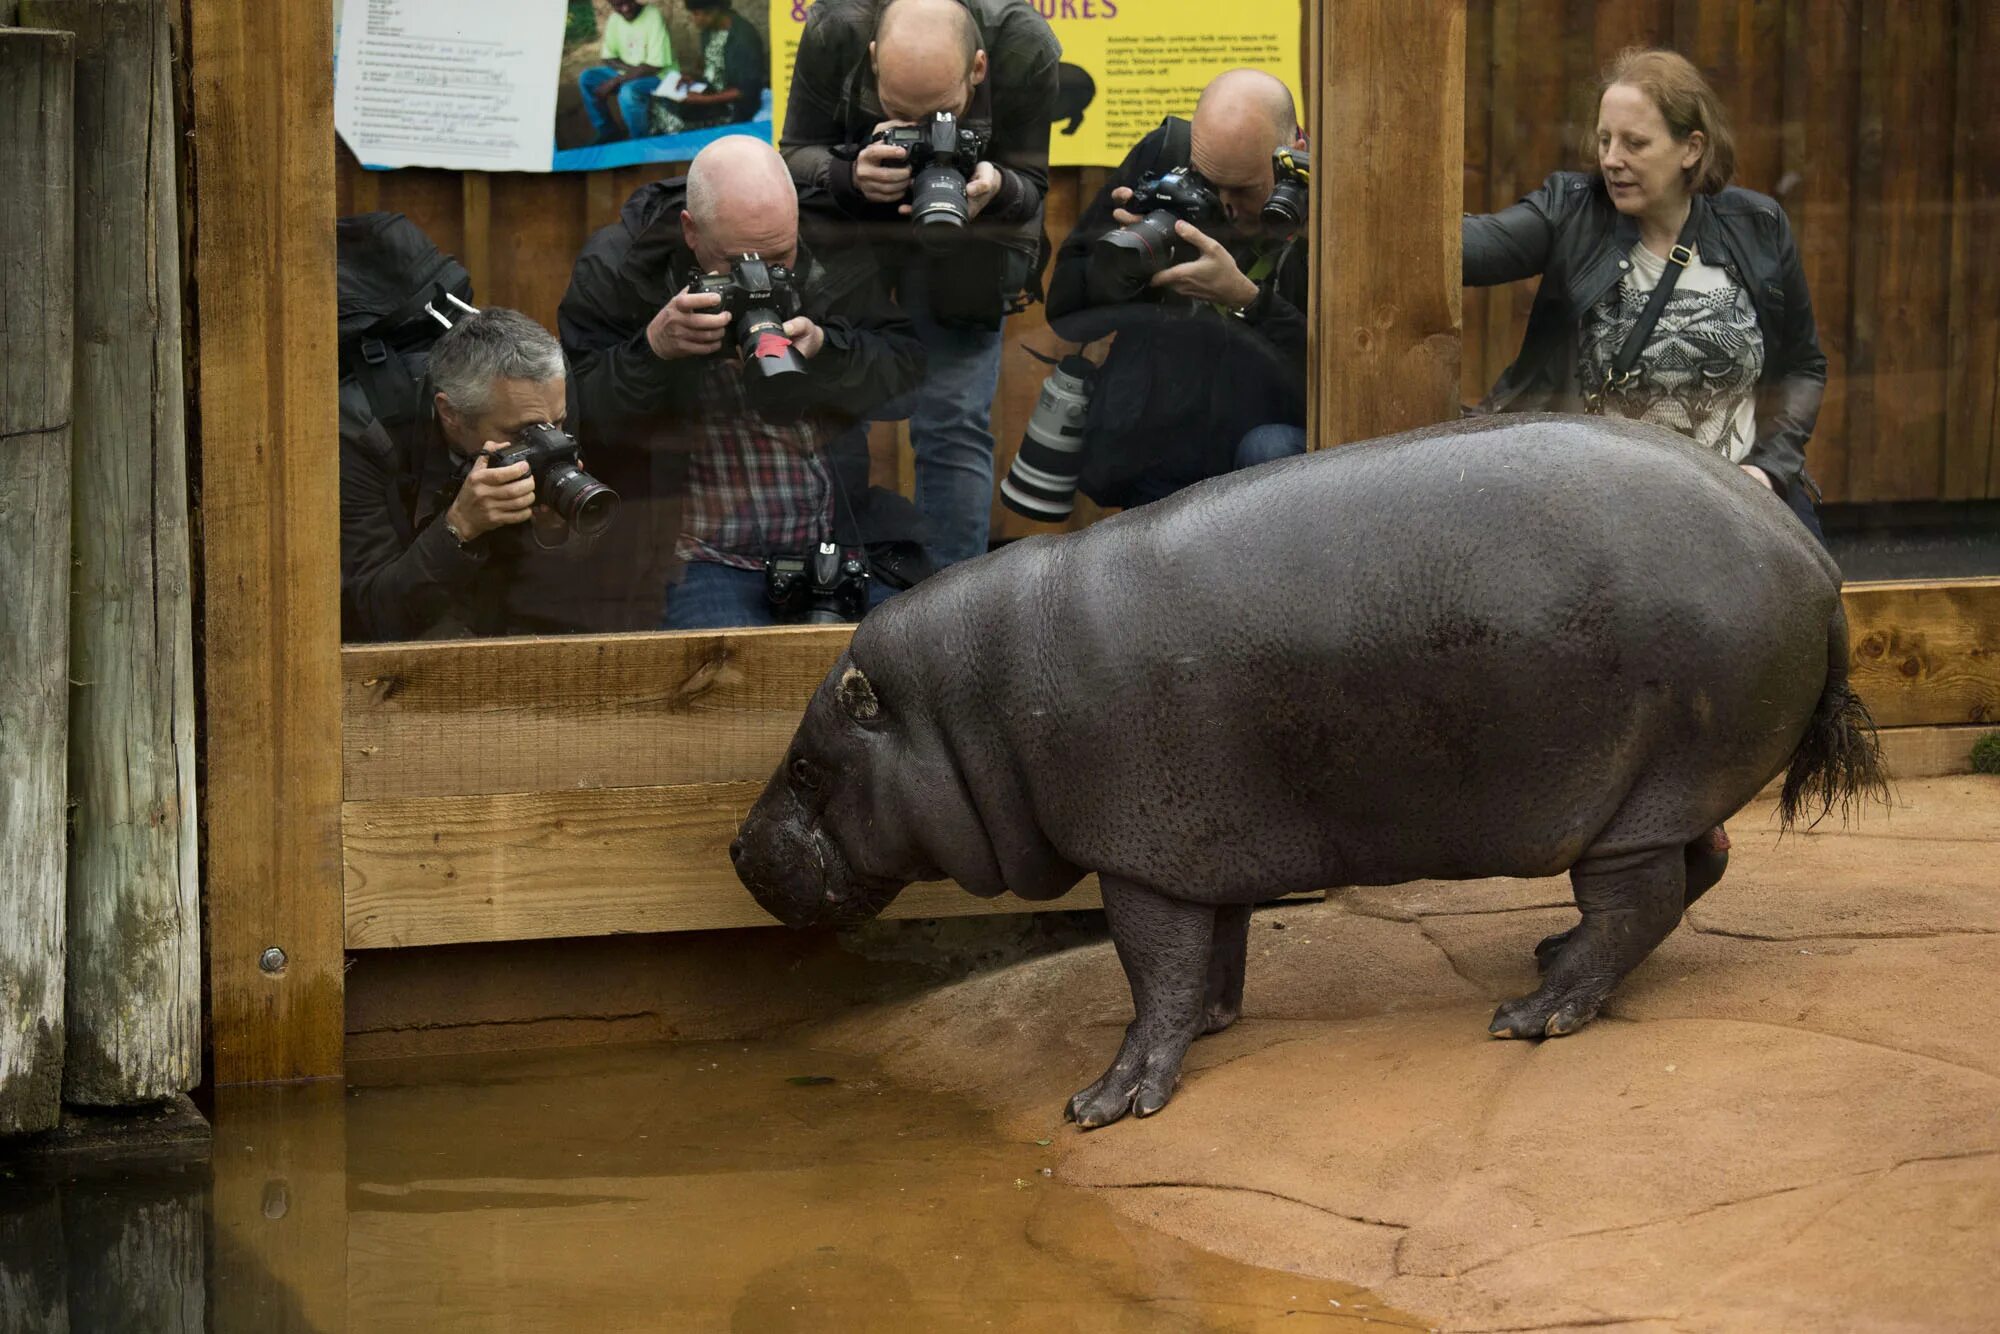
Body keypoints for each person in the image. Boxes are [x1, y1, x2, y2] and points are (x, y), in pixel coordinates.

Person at [558, 136, 925, 630]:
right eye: (735, 265)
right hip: (700, 555)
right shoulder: (622, 265)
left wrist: (827, 351)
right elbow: (579, 421)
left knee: (907, 656)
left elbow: (906, 378)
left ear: (795, 222)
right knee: (719, 679)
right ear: (691, 230)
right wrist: (653, 351)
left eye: (779, 259)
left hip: (833, 538)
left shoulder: (828, 242)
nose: (759, 281)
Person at [1462, 47, 1827, 542]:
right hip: (1597, 508)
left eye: (1634, 143)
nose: (1611, 160)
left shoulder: (1758, 228)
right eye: (1605, 139)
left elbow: (1803, 368)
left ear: (1691, 149)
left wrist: (1769, 470)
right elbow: (1468, 249)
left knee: (1813, 600)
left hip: (1736, 504)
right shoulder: (1571, 212)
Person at [781, 0, 1059, 567]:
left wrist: (996, 186)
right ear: (875, 59)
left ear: (977, 68)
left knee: (953, 422)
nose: (912, 127)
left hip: (967, 249)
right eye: (895, 109)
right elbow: (793, 155)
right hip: (849, 234)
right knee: (834, 410)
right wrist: (847, 171)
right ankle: (835, 586)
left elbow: (1031, 183)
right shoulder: (837, 30)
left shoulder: (1023, 44)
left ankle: (951, 607)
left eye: (937, 113)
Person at [1043, 68, 1311, 507]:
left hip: (1258, 467)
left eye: (1245, 190)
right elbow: (1066, 311)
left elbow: (1343, 370)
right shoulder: (1166, 156)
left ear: (1293, 153)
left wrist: (1248, 301)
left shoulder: (1334, 199)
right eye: (1206, 183)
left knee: (1269, 449)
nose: (1226, 207)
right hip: (1156, 454)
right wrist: (1127, 267)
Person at [341, 308, 593, 641]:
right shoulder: (366, 435)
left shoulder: (542, 398)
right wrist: (458, 528)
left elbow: (579, 593)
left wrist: (554, 532)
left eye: (557, 423)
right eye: (523, 433)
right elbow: (376, 614)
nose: (549, 439)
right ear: (450, 414)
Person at [647, 0, 768, 137]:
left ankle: (683, 153)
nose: (693, 20)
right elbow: (709, 68)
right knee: (658, 104)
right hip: (710, 91)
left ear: (714, 11)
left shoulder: (744, 38)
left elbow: (747, 90)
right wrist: (692, 77)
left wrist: (703, 100)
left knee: (675, 121)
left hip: (733, 106)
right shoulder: (709, 30)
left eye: (697, 14)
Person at [578, 0, 675, 146]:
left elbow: (654, 66)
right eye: (618, 5)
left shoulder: (653, 16)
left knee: (628, 92)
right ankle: (607, 131)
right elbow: (608, 57)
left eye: (628, 2)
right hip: (631, 73)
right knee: (588, 78)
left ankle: (640, 142)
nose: (625, 8)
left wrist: (616, 80)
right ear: (611, 4)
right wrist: (630, 73)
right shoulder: (614, 20)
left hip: (658, 76)